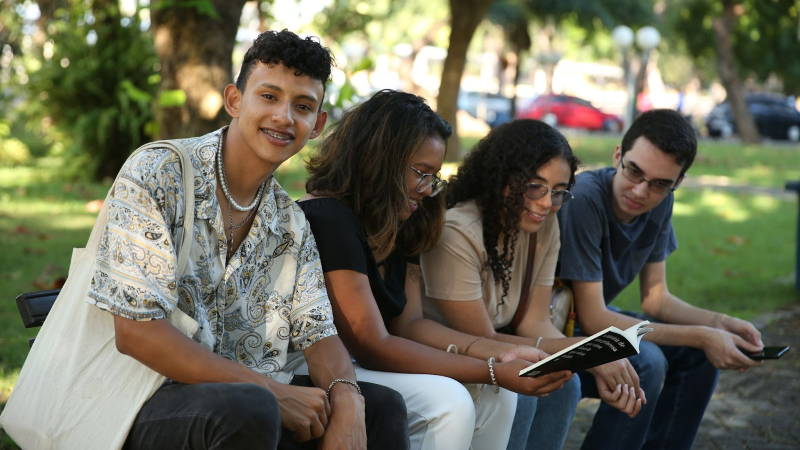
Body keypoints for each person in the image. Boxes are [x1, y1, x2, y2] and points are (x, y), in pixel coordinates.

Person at [88, 30, 408, 449]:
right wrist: (275, 393)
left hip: (238, 400)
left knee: (382, 406)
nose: (284, 118)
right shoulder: (159, 171)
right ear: (234, 100)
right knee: (252, 407)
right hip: (134, 398)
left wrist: (347, 397)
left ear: (318, 125)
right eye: (269, 96)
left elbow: (318, 332)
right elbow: (136, 332)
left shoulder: (290, 220)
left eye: (303, 106)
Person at [297, 90, 573, 450]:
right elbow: (370, 344)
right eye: (421, 173)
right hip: (319, 368)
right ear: (381, 160)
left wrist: (497, 356)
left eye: (434, 176)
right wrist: (492, 368)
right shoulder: (330, 218)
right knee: (450, 403)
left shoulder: (400, 220)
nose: (428, 190)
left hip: (367, 362)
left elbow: (410, 324)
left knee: (497, 395)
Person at [420, 119, 646, 450]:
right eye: (534, 186)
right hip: (446, 359)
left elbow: (534, 321)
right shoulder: (458, 233)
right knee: (527, 387)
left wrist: (590, 355)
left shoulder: (544, 225)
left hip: (497, 350)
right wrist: (589, 354)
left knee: (566, 384)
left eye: (558, 191)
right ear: (501, 177)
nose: (545, 203)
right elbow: (486, 339)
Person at [556, 108, 764, 450]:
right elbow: (594, 318)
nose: (640, 191)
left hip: (587, 325)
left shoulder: (660, 203)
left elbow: (655, 299)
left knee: (697, 356)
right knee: (648, 362)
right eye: (634, 172)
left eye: (659, 184)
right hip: (554, 332)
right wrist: (702, 335)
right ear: (618, 154)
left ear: (677, 183)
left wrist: (721, 324)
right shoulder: (586, 200)